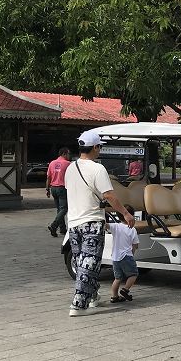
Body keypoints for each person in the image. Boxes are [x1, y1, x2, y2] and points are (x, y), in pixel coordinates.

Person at [65, 130, 134, 316]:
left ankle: (93, 296)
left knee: (82, 262)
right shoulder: (98, 169)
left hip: (73, 222)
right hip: (92, 222)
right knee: (89, 264)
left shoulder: (70, 168)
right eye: (99, 147)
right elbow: (109, 195)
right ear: (95, 147)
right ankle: (78, 305)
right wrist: (125, 213)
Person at [108, 206, 139, 302]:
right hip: (126, 256)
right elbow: (135, 245)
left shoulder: (115, 226)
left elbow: (106, 225)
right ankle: (125, 290)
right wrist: (132, 253)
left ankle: (114, 297)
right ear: (131, 216)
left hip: (115, 257)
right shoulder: (132, 229)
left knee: (117, 278)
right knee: (133, 274)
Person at [46, 147, 72, 237]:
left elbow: (48, 177)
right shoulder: (68, 164)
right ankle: (54, 225)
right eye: (68, 154)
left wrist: (47, 189)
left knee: (59, 209)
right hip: (62, 188)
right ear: (64, 154)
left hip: (53, 188)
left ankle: (62, 229)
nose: (69, 156)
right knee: (64, 209)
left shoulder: (52, 163)